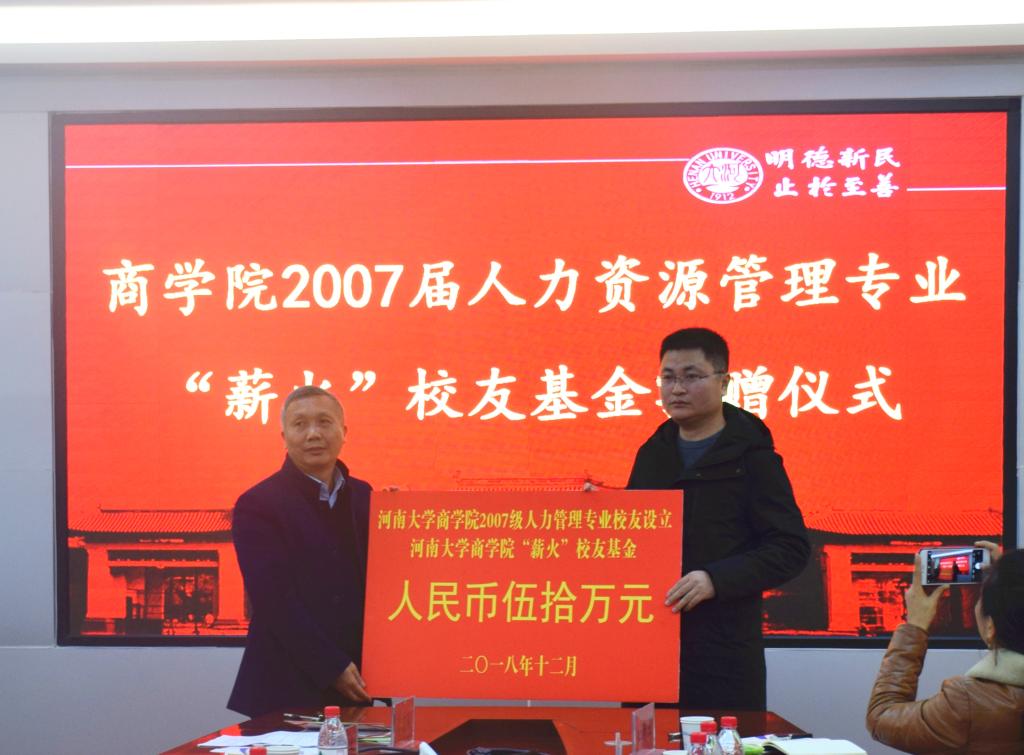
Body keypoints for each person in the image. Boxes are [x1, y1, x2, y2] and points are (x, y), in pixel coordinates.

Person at [626, 327, 809, 710]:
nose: (677, 389)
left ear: (724, 382)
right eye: (668, 377)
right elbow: (633, 538)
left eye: (691, 376)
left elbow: (789, 548)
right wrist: (599, 512)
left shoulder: (754, 458)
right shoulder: (652, 454)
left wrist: (716, 579)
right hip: (649, 644)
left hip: (722, 649)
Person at [227, 386, 373, 717]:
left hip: (358, 682)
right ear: (284, 436)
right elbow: (274, 599)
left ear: (344, 432)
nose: (313, 434)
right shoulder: (258, 504)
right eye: (300, 424)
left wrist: (398, 516)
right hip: (285, 684)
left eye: (324, 422)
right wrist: (330, 665)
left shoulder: (366, 496)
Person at [866, 542, 1024, 754]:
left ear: (990, 627)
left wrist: (915, 626)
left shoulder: (970, 702)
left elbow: (881, 715)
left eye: (980, 599)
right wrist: (1013, 575)